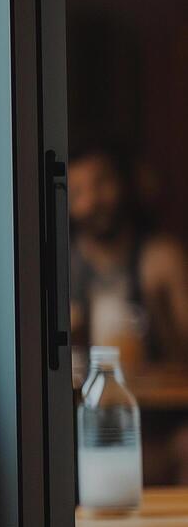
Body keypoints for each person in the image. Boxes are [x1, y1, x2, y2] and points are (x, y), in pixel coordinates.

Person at [68, 145, 188, 370]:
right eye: (77, 192)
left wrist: (164, 324)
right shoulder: (60, 269)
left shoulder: (162, 260)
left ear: (124, 183)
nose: (93, 200)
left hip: (155, 400)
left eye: (101, 183)